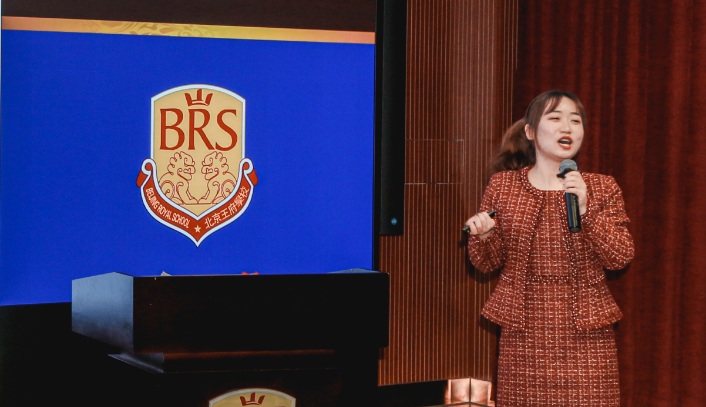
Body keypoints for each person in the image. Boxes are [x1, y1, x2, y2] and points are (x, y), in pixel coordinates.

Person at [465, 90, 634, 407]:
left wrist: (586, 210)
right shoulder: (503, 185)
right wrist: (485, 236)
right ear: (530, 132)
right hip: (523, 334)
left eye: (575, 121)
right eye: (555, 118)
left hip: (587, 335)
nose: (567, 127)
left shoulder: (601, 187)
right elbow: (485, 263)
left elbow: (620, 256)